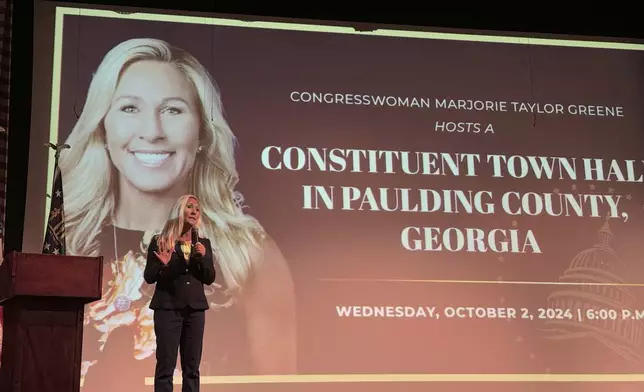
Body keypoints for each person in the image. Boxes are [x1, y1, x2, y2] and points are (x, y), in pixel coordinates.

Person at [57, 38, 296, 389]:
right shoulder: (64, 237)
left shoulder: (247, 252)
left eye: (172, 110)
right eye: (129, 108)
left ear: (201, 132)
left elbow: (277, 383)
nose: (152, 132)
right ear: (102, 127)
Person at [144, 194, 215, 392]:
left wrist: (200, 258)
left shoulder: (203, 244)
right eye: (189, 207)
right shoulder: (160, 241)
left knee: (192, 368)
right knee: (166, 366)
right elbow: (149, 277)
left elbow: (209, 277)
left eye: (197, 209)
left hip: (195, 310)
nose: (194, 211)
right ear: (179, 210)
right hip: (167, 309)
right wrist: (162, 264)